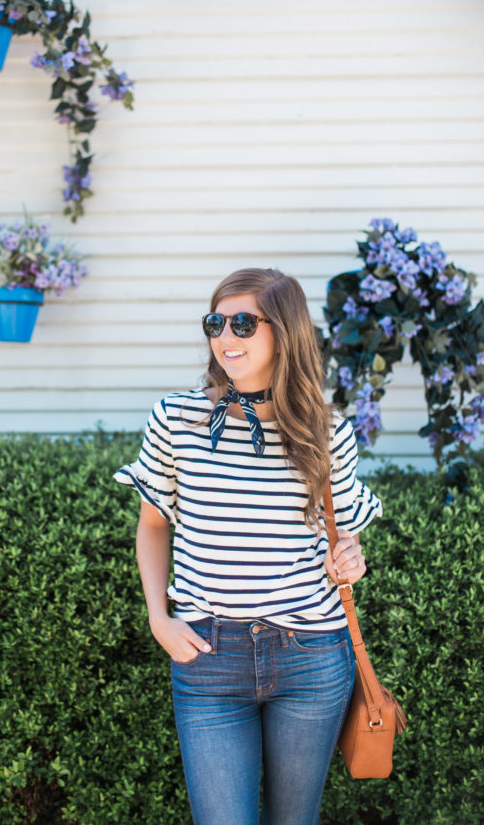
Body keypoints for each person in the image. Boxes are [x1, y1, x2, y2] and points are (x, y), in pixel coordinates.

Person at [114, 268, 382, 825]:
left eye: (242, 323)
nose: (225, 337)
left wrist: (350, 559)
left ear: (285, 331)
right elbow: (153, 523)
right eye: (215, 323)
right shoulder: (177, 418)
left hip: (310, 654)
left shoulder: (327, 430)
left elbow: (344, 540)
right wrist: (158, 618)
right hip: (208, 657)